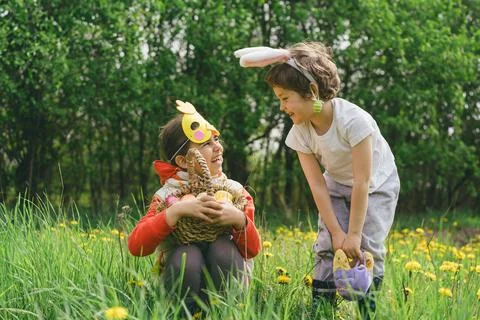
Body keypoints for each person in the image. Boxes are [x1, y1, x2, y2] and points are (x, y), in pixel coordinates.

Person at [234, 43, 400, 318]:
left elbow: (362, 181)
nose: (281, 107)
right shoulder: (300, 131)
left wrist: (354, 235)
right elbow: (317, 185)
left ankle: (368, 310)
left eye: (285, 98)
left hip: (376, 186)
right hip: (334, 183)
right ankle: (321, 310)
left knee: (367, 245)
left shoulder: (354, 122)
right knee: (326, 245)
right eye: (279, 99)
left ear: (312, 92)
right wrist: (337, 233)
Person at [128, 100, 261, 316]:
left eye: (216, 139)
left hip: (227, 279)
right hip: (181, 285)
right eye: (206, 144)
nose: (218, 146)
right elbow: (136, 246)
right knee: (186, 256)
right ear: (182, 160)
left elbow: (253, 249)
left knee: (223, 250)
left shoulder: (235, 192)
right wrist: (175, 212)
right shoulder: (168, 196)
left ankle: (225, 312)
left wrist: (239, 220)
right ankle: (183, 313)